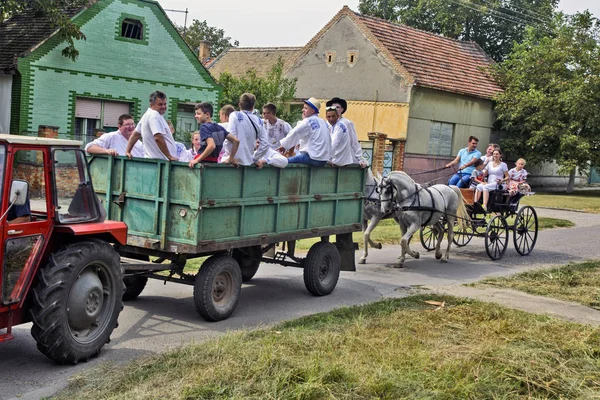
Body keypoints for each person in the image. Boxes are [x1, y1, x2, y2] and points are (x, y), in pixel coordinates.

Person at [277, 97, 332, 167]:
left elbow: (295, 132)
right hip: (323, 160)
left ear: (312, 111)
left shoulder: (308, 121)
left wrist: (284, 145)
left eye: (306, 108)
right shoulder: (323, 122)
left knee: (284, 161)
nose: (303, 110)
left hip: (312, 158)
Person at [126, 91, 178, 161]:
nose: (163, 107)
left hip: (156, 161)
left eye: (165, 104)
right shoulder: (154, 115)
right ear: (151, 105)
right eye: (160, 104)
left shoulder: (147, 115)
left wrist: (128, 151)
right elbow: (158, 137)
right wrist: (169, 156)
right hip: (162, 162)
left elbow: (135, 134)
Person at [188, 102, 239, 168]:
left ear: (207, 115)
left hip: (202, 163)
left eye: (198, 114)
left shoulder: (204, 127)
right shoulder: (219, 128)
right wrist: (231, 158)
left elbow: (211, 146)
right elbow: (236, 141)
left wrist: (197, 160)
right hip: (214, 163)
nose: (195, 116)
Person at [326, 97, 367, 168]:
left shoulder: (346, 123)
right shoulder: (327, 124)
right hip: (331, 158)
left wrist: (360, 158)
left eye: (337, 107)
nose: (335, 109)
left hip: (343, 158)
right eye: (333, 107)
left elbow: (354, 142)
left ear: (342, 109)